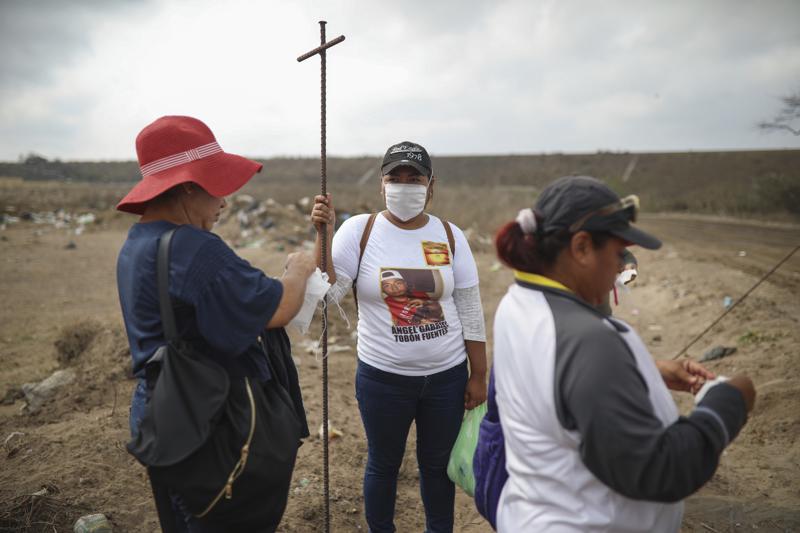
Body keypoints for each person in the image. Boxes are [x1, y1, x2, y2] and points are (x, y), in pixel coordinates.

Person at [490, 175, 756, 532]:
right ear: (581, 247)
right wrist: (729, 401)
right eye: (618, 253)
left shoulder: (518, 302)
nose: (621, 267)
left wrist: (643, 370)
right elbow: (659, 471)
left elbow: (554, 385)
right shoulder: (587, 342)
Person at [116, 115, 315, 532]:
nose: (224, 202)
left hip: (159, 407)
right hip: (207, 417)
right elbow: (278, 308)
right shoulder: (193, 247)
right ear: (187, 186)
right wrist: (297, 269)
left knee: (186, 517)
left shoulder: (136, 244)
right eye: (216, 187)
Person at [311, 141, 488, 532]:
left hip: (446, 377)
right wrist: (322, 235)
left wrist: (478, 375)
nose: (405, 186)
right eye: (396, 178)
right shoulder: (359, 230)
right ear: (382, 185)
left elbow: (471, 310)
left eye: (415, 179)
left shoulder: (450, 235)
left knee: (437, 465)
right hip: (383, 378)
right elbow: (327, 295)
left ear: (431, 185)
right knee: (383, 463)